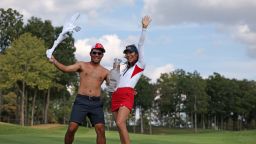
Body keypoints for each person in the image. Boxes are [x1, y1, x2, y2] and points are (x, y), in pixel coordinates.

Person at [50, 43, 109, 144]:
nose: (97, 55)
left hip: (96, 103)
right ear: (90, 54)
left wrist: (129, 89)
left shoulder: (105, 72)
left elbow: (112, 85)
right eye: (94, 52)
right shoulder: (82, 65)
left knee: (101, 130)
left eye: (99, 53)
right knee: (72, 128)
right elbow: (66, 69)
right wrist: (54, 61)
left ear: (102, 55)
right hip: (81, 101)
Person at [111, 16, 151, 144]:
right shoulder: (124, 69)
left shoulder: (140, 65)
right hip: (116, 95)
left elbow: (140, 45)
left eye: (131, 52)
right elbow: (114, 83)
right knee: (119, 127)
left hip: (126, 96)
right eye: (127, 53)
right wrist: (114, 71)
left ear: (136, 53)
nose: (128, 54)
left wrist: (144, 28)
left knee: (120, 122)